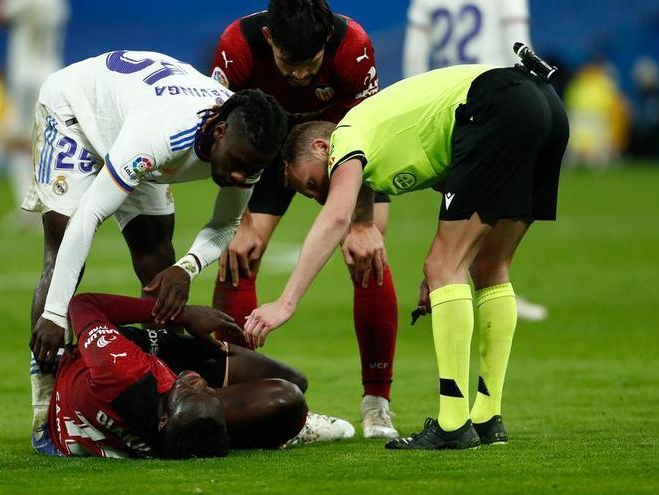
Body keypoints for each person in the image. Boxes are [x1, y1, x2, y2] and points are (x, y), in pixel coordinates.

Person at [244, 62, 569, 450]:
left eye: (312, 183)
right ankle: (487, 417)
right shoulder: (389, 145)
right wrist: (440, 278)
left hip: (497, 102)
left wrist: (285, 303)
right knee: (489, 267)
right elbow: (460, 196)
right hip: (545, 106)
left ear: (320, 147)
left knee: (444, 266)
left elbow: (336, 218)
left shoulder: (346, 134)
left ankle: (453, 425)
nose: (318, 196)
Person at [25, 50, 287, 453]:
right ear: (218, 131)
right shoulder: (163, 134)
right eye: (236, 163)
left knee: (159, 260)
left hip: (130, 128)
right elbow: (89, 215)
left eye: (251, 170)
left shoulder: (248, 148)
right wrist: (56, 313)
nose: (240, 176)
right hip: (75, 115)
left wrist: (187, 267)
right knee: (62, 248)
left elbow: (225, 224)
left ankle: (173, 401)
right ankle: (44, 411)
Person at [210, 0, 400, 440]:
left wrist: (361, 223)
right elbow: (221, 136)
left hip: (337, 146)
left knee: (368, 253)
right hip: (266, 148)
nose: (299, 76)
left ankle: (377, 404)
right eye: (288, 64)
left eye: (310, 65)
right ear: (270, 38)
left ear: (327, 42)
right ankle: (237, 399)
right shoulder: (237, 46)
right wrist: (236, 220)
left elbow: (368, 130)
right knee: (239, 253)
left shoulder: (353, 47)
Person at [48, 292, 352, 458]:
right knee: (290, 395)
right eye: (210, 393)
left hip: (94, 369)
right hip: (133, 395)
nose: (202, 382)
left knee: (296, 383)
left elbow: (82, 304)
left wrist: (182, 315)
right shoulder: (182, 428)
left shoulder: (121, 368)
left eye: (195, 391)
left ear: (164, 419)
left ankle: (264, 427)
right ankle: (288, 430)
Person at [403, 0, 548, 322]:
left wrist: (418, 107)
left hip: (446, 107)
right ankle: (489, 286)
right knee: (501, 205)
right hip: (496, 99)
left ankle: (452, 287)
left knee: (457, 202)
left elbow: (415, 55)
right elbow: (519, 45)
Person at [0, 0, 69, 231]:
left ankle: (30, 210)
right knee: (49, 144)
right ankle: (55, 206)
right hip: (51, 74)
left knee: (15, 142)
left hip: (25, 79)